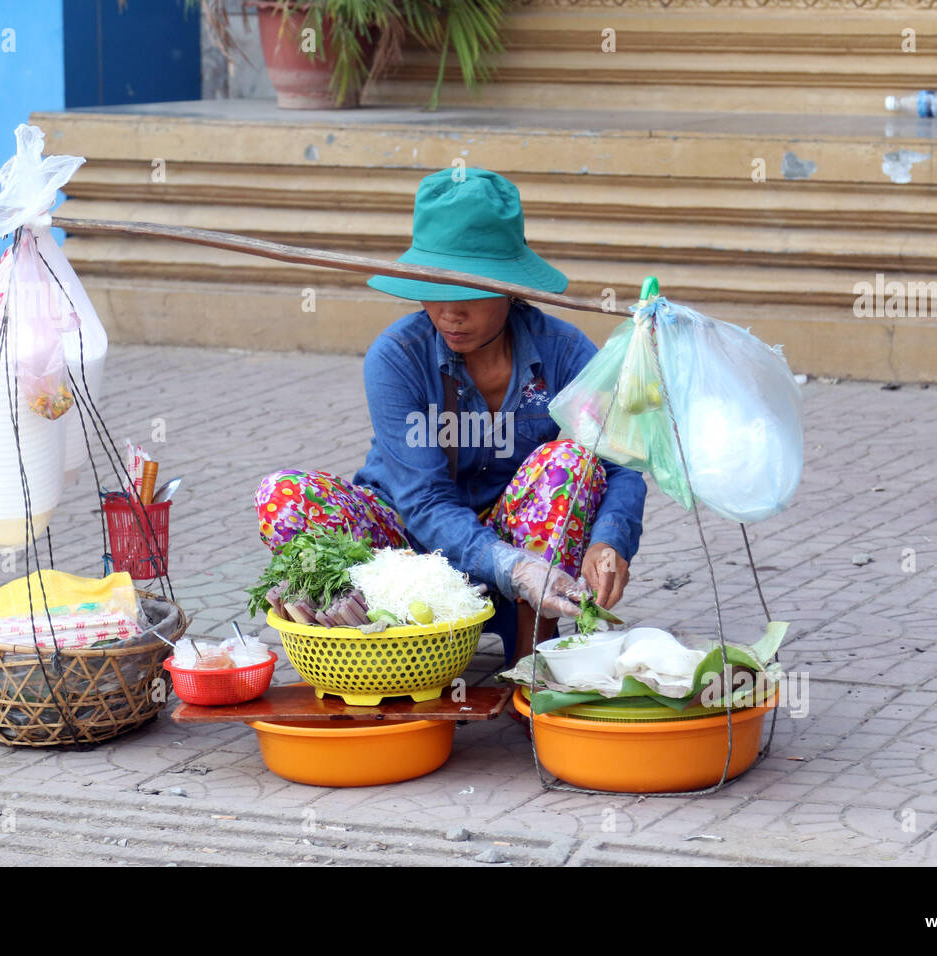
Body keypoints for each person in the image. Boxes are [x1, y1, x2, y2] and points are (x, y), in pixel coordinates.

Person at [254, 167, 646, 663]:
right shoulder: (397, 356)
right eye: (434, 289)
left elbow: (619, 460)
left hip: (523, 544)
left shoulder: (564, 351)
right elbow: (423, 501)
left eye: (468, 292)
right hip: (404, 552)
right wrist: (508, 564)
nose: (449, 313)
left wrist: (612, 541)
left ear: (509, 287)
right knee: (283, 496)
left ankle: (535, 662)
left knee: (571, 461)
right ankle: (382, 650)